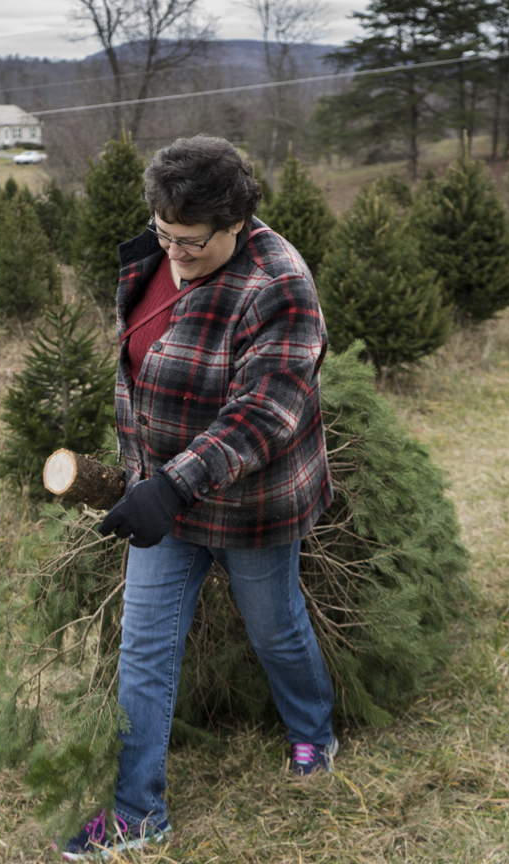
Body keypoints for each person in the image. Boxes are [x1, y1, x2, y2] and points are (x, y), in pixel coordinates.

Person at [55, 136, 337, 861]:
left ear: (238, 220)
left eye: (191, 241)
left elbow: (264, 414)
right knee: (144, 649)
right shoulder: (157, 254)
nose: (174, 253)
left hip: (250, 503)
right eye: (163, 233)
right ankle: (137, 813)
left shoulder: (278, 285)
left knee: (275, 629)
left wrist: (173, 484)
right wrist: (147, 478)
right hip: (166, 499)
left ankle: (312, 731)